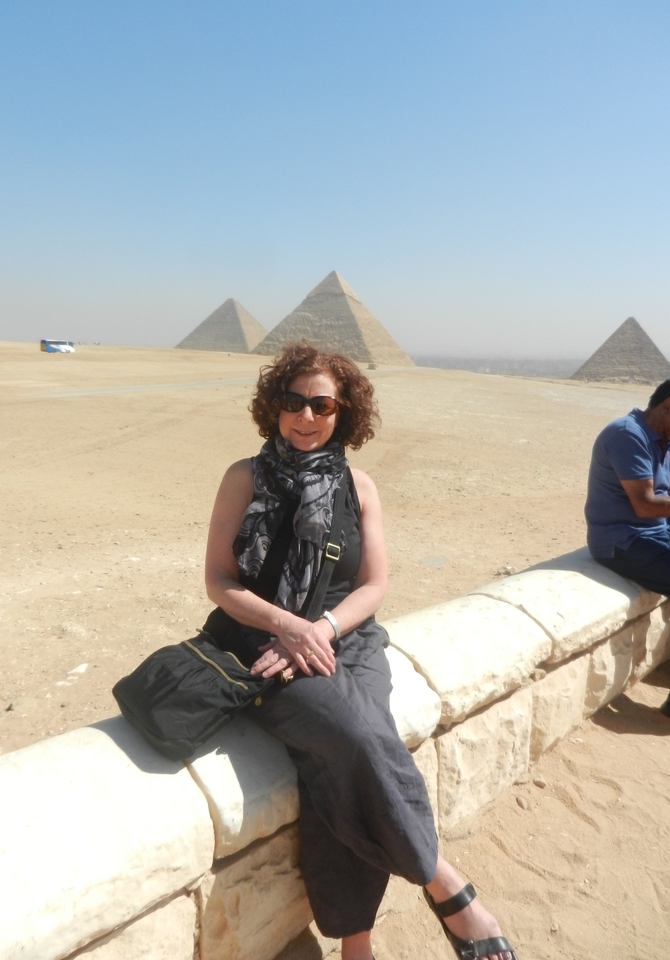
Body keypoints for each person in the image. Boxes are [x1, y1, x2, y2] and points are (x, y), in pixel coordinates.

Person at [205, 342, 519, 960]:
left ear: (343, 413)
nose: (306, 416)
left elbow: (373, 586)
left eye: (322, 405)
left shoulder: (360, 486)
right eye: (293, 401)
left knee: (353, 747)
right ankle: (445, 884)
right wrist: (286, 626)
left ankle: (357, 943)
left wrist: (319, 629)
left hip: (345, 637)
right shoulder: (243, 477)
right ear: (274, 406)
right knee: (358, 737)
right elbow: (219, 580)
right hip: (261, 640)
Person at [585, 378, 670, 717]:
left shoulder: (663, 439)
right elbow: (646, 505)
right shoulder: (626, 435)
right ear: (667, 408)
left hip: (652, 536)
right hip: (621, 542)